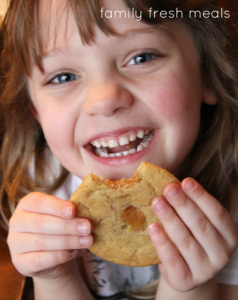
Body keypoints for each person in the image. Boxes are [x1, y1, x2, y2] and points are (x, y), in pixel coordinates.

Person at [0, 0, 238, 299]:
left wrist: (191, 287)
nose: (104, 99)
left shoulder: (231, 204)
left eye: (142, 57)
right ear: (35, 109)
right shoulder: (42, 188)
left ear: (208, 70)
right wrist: (54, 278)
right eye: (63, 77)